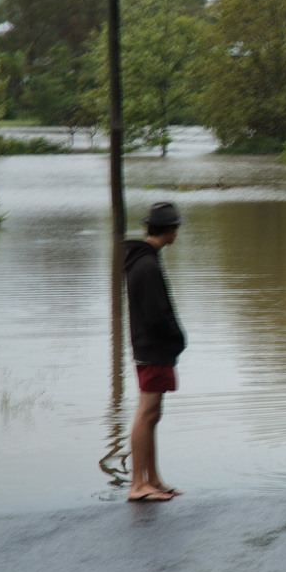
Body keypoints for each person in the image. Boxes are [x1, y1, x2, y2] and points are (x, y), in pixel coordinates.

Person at [122, 201, 187, 503]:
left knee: (153, 414)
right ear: (170, 229)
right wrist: (176, 337)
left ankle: (154, 479)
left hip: (152, 347)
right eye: (177, 227)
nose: (177, 232)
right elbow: (156, 314)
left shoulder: (144, 260)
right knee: (146, 413)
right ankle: (137, 485)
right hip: (152, 349)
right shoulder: (146, 265)